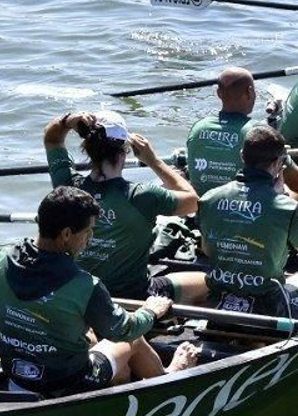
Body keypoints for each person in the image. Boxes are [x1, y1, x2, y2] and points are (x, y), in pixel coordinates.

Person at [0, 187, 181, 398]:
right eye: (88, 231)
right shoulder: (85, 285)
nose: (90, 239)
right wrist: (150, 312)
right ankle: (168, 375)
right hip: (68, 382)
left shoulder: (2, 260)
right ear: (66, 234)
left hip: (16, 375)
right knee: (134, 340)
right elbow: (124, 330)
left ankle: (119, 382)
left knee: (88, 334)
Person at [153, 125, 298, 317]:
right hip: (269, 308)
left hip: (220, 297)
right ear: (278, 163)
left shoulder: (209, 198)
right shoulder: (285, 207)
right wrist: (281, 197)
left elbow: (209, 249)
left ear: (242, 156)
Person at [44, 110, 198, 300]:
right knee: (207, 282)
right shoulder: (143, 195)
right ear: (125, 150)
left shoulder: (67, 187)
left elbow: (52, 139)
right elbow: (192, 201)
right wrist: (153, 161)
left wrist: (67, 121)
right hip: (132, 296)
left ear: (88, 147)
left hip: (82, 292)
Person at [184, 67, 259, 192]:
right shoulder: (256, 131)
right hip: (239, 205)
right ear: (249, 92)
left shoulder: (198, 127)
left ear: (219, 93)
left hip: (202, 205)